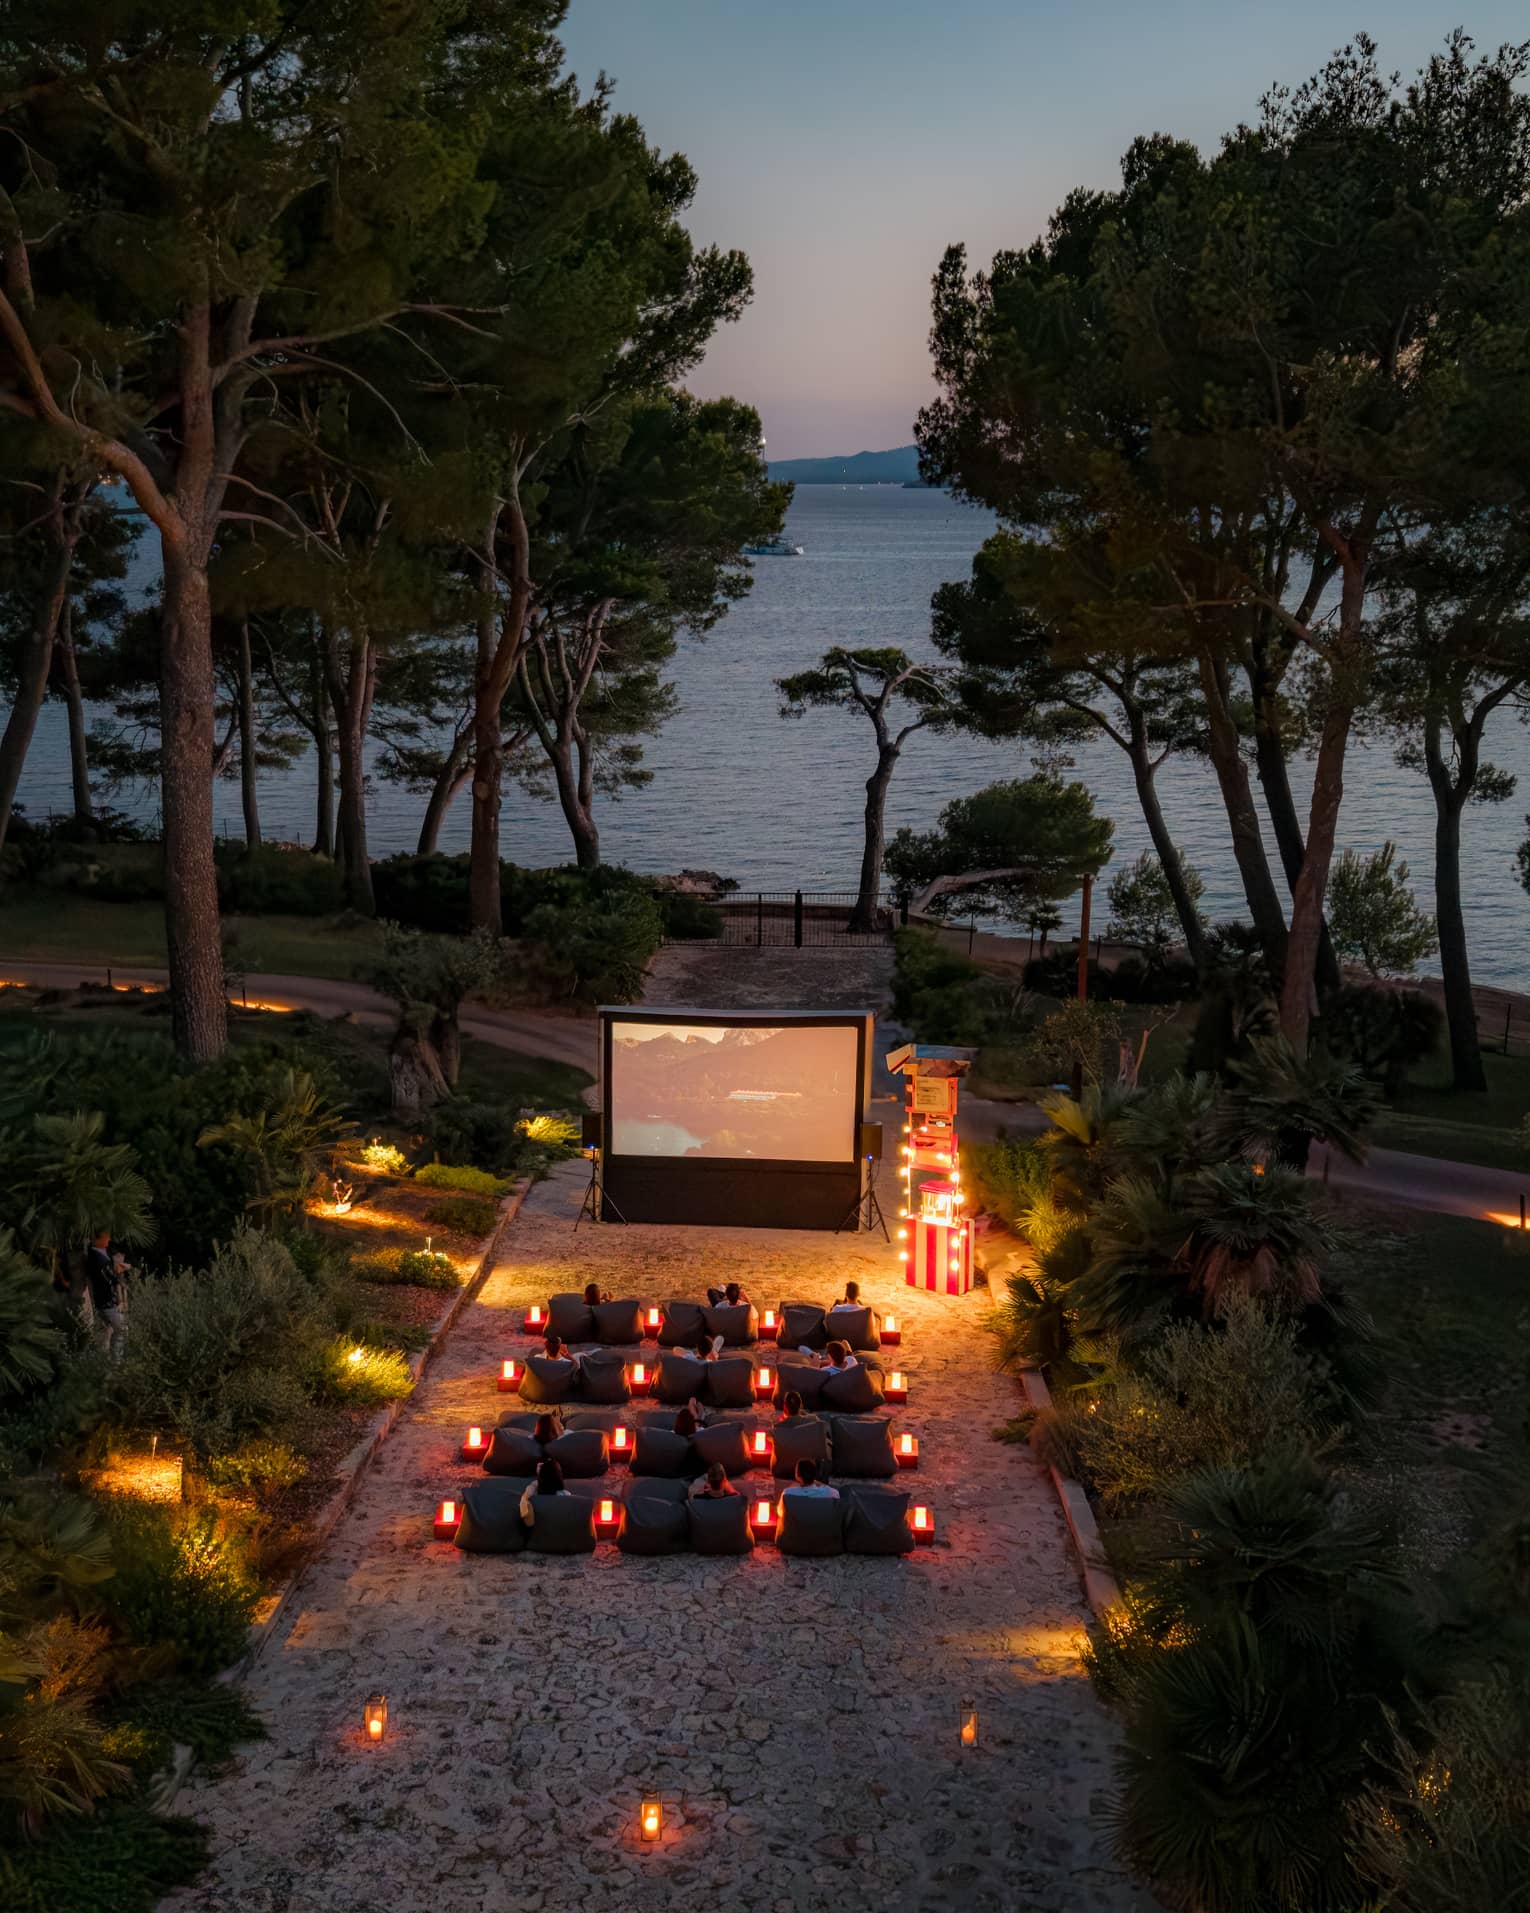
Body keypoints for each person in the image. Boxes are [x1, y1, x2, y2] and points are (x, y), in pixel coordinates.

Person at [85, 1228, 128, 1360]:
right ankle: (116, 1363)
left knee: (111, 1328)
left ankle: (107, 1358)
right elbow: (113, 1279)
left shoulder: (101, 1255)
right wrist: (120, 1298)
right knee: (121, 1328)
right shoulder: (98, 1258)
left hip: (104, 1301)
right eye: (105, 1237)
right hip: (106, 1301)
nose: (108, 1239)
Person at [519, 1457, 571, 1526]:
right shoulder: (565, 1495)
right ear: (559, 1476)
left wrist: (540, 1475)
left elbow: (529, 1491)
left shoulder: (531, 1495)